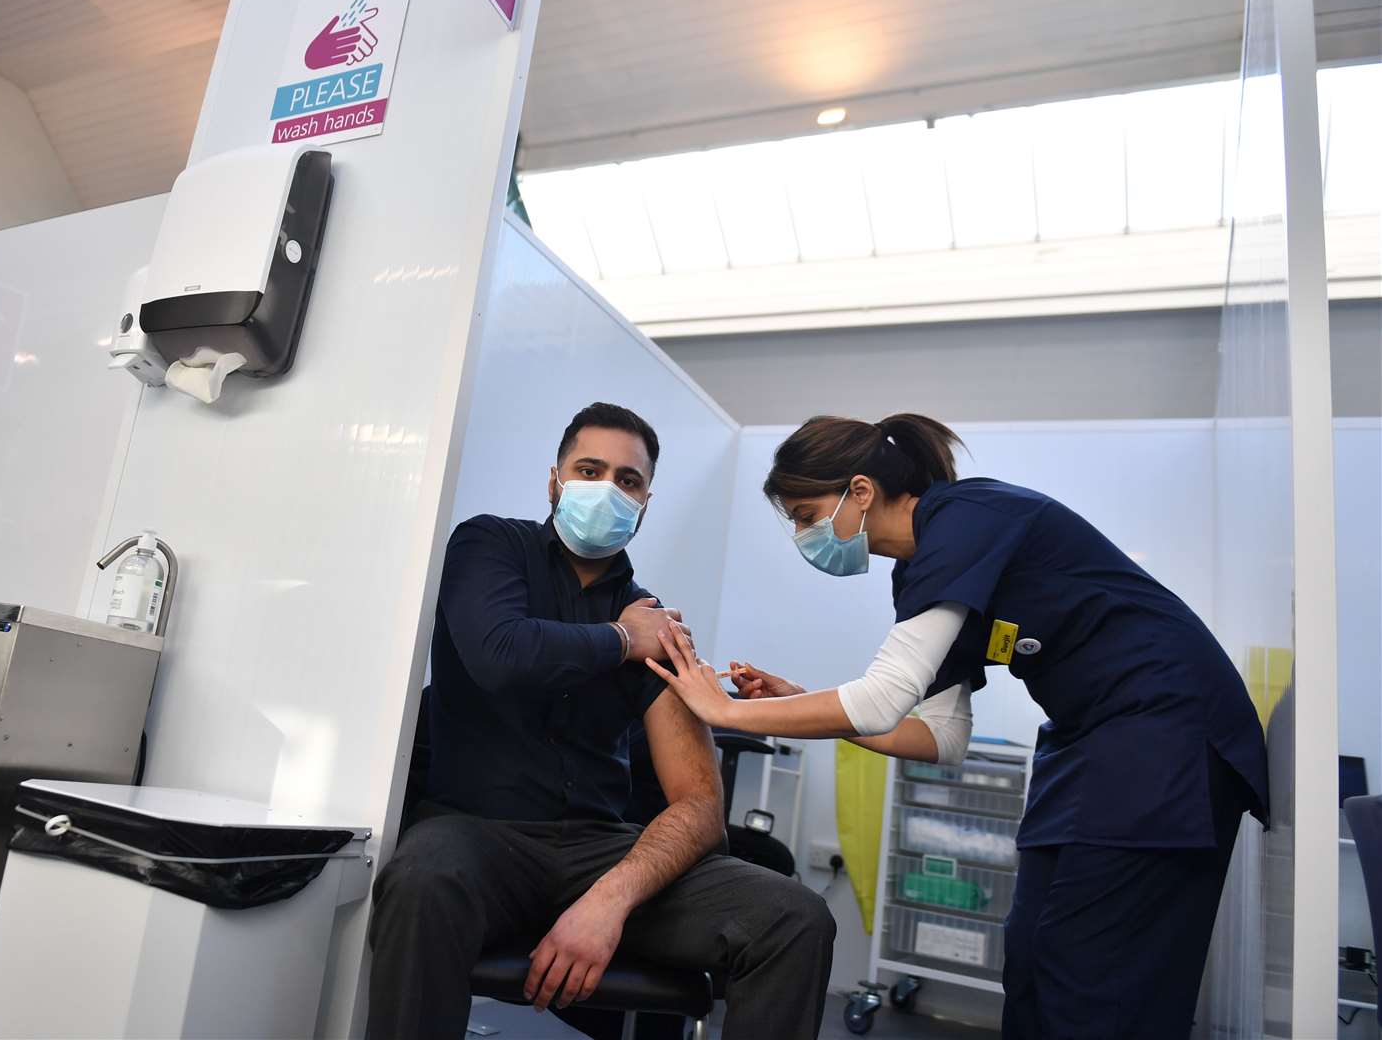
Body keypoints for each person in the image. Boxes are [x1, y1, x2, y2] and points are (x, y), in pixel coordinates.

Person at [644, 413, 1271, 1040]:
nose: (805, 536)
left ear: (860, 492)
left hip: (1165, 735)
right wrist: (802, 702)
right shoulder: (923, 572)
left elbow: (880, 699)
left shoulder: (965, 520)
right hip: (1092, 742)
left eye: (808, 516)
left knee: (1098, 983)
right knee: (1034, 961)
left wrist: (726, 709)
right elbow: (939, 737)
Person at [367, 403, 835, 1040]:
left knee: (794, 917)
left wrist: (610, 898)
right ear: (555, 481)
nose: (610, 489)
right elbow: (499, 654)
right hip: (475, 837)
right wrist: (621, 638)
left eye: (629, 480)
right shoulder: (491, 546)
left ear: (645, 503)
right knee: (420, 883)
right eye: (590, 469)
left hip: (598, 849)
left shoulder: (656, 623)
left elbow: (699, 804)